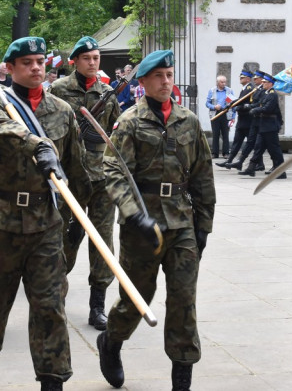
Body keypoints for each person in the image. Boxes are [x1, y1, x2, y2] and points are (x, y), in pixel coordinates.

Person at [0, 36, 89, 391]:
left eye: (40, 62)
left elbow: (77, 172)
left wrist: (78, 223)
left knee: (50, 305)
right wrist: (38, 146)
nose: (36, 68)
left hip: (45, 225)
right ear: (10, 68)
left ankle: (52, 380)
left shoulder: (62, 111)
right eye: (27, 63)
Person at [97, 49, 216, 391]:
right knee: (138, 298)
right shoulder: (130, 122)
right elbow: (114, 172)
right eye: (159, 77)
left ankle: (182, 377)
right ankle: (112, 341)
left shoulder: (189, 121)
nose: (166, 82)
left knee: (183, 300)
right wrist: (134, 216)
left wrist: (204, 226)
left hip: (182, 224)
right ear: (144, 82)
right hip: (142, 227)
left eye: (169, 75)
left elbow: (202, 177)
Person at [48, 35, 121, 331]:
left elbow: (114, 136)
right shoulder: (58, 90)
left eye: (96, 58)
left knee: (103, 240)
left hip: (102, 178)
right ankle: (55, 297)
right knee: (64, 238)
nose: (93, 63)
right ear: (74, 61)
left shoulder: (109, 93)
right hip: (71, 177)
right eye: (87, 58)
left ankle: (98, 304)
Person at [240, 71, 286, 179]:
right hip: (264, 126)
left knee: (274, 149)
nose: (263, 83)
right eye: (263, 82)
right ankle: (251, 168)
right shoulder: (266, 94)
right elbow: (261, 104)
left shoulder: (272, 94)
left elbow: (267, 108)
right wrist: (254, 108)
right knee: (258, 147)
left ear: (270, 84)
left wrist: (255, 110)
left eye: (265, 82)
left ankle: (281, 171)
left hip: (270, 126)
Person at [221, 70, 257, 169]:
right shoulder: (244, 89)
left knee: (252, 143)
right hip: (242, 120)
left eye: (242, 77)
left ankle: (257, 163)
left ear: (248, 79)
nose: (240, 79)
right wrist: (232, 105)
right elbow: (240, 101)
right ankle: (229, 161)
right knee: (238, 141)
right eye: (240, 77)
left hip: (247, 121)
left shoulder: (250, 88)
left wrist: (238, 107)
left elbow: (249, 104)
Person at [205, 75, 234, 159]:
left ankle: (226, 153)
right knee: (215, 133)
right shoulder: (212, 91)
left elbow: (233, 103)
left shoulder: (229, 91)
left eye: (225, 82)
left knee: (225, 133)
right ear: (217, 82)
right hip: (215, 113)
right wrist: (214, 107)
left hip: (226, 113)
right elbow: (207, 103)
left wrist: (233, 116)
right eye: (222, 82)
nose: (224, 84)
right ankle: (215, 153)